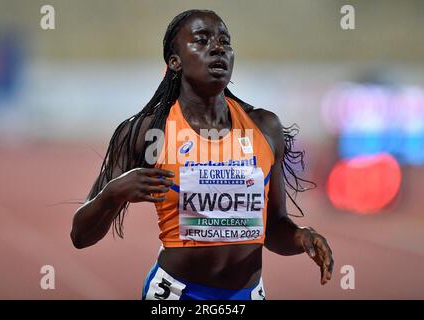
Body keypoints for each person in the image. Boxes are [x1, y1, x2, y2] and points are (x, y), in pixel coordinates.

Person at [70, 9, 334, 300]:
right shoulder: (148, 132)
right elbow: (80, 236)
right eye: (202, 40)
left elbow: (273, 229)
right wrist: (113, 193)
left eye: (225, 41)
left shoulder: (265, 128)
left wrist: (301, 236)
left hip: (247, 297)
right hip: (176, 295)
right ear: (175, 61)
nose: (218, 47)